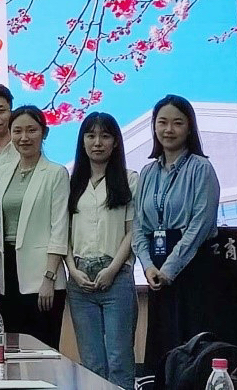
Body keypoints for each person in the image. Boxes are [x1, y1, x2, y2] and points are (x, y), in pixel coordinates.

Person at [131, 95, 220, 367]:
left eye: (177, 123)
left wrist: (169, 269)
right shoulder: (148, 172)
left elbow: (199, 227)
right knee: (162, 349)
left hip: (193, 269)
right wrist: (148, 266)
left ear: (189, 128)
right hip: (157, 271)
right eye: (162, 122)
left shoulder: (201, 168)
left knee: (192, 351)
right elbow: (138, 226)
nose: (168, 130)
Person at [66, 112, 139, 390]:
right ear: (82, 141)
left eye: (105, 136)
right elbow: (61, 234)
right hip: (80, 280)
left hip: (116, 278)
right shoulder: (71, 182)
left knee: (119, 360)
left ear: (116, 142)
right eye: (91, 135)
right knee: (91, 362)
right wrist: (72, 270)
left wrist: (112, 269)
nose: (97, 142)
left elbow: (132, 231)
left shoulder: (130, 180)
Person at [0, 105, 69, 349]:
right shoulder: (1, 173)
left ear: (44, 133)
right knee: (11, 348)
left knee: (43, 349)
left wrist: (49, 277)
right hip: (7, 271)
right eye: (18, 131)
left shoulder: (55, 173)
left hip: (42, 275)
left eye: (31, 130)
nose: (24, 137)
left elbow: (59, 227)